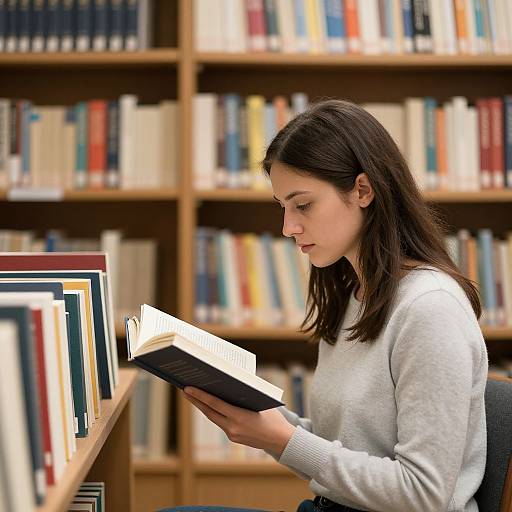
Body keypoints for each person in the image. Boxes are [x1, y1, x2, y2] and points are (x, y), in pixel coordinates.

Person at [160, 100, 488, 512]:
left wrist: (281, 439)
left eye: (304, 205)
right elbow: (354, 446)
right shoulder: (356, 294)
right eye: (283, 207)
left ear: (363, 190)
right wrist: (262, 417)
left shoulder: (430, 308)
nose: (288, 227)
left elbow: (423, 493)